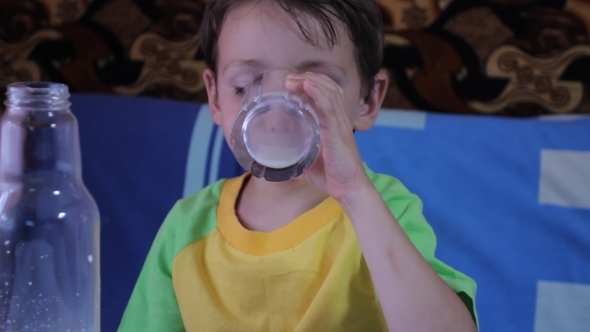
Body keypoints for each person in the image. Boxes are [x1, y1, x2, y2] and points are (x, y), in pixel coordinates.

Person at [119, 0, 478, 331]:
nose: (276, 116)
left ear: (367, 100)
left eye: (314, 86)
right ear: (215, 96)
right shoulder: (186, 228)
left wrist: (355, 194)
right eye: (245, 86)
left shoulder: (384, 212)